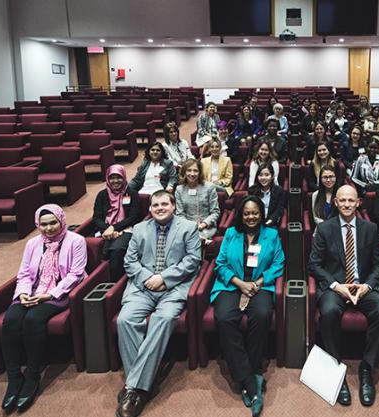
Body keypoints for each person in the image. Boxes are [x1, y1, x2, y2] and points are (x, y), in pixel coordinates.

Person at [116, 190, 201, 417]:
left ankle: (133, 388)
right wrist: (147, 279)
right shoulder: (139, 229)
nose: (160, 208)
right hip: (142, 287)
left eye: (165, 204)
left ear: (174, 206)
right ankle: (143, 383)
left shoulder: (188, 227)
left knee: (163, 319)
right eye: (155, 205)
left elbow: (192, 260)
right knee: (125, 319)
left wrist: (164, 278)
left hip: (174, 286)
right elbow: (130, 261)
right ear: (150, 208)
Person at [308, 185, 379, 407]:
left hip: (362, 285)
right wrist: (337, 286)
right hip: (336, 286)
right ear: (335, 202)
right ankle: (336, 368)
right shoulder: (325, 229)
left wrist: (367, 285)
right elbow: (314, 265)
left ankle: (367, 367)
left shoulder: (370, 228)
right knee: (328, 311)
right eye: (342, 200)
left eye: (351, 201)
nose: (346, 204)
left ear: (358, 203)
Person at [0, 204, 87, 413]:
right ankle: (14, 377)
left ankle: (32, 375)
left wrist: (48, 294)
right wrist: (23, 293)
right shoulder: (32, 243)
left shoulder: (76, 241)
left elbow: (75, 274)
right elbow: (24, 275)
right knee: (11, 319)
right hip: (32, 291)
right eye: (43, 224)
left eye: (53, 223)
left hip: (60, 292)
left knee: (32, 320)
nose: (48, 229)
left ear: (61, 221)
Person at [212, 195, 285, 417]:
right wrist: (240, 284)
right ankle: (250, 379)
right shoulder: (231, 234)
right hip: (231, 285)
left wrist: (257, 283)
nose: (251, 217)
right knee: (224, 318)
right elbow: (220, 264)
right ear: (241, 215)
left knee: (262, 314)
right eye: (247, 213)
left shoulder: (271, 234)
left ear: (261, 214)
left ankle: (252, 370)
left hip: (260, 285)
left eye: (255, 213)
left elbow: (278, 263)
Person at [92, 164, 141, 280]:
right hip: (105, 229)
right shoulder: (102, 195)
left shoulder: (132, 194)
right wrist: (107, 228)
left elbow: (133, 217)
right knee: (97, 249)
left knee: (116, 249)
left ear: (124, 177)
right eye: (112, 178)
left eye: (118, 177)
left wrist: (114, 228)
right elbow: (96, 218)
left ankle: (115, 283)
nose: (115, 181)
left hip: (126, 228)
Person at [175, 159, 220, 242]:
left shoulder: (209, 187)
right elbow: (180, 214)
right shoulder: (179, 189)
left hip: (206, 227)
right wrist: (190, 226)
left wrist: (203, 224)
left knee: (195, 241)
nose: (192, 174)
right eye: (189, 170)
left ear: (200, 173)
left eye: (195, 171)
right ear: (184, 172)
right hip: (186, 227)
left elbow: (215, 212)